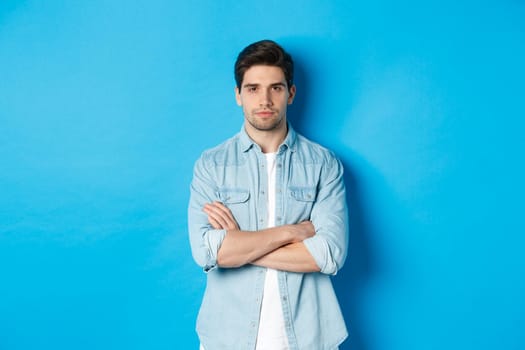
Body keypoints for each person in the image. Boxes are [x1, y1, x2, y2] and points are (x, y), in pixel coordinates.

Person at [188, 39, 349, 350]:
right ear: (238, 95)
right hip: (227, 338)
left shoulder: (323, 165)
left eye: (275, 88)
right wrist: (293, 232)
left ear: (290, 93)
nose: (264, 99)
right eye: (252, 89)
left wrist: (240, 245)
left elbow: (329, 254)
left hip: (308, 338)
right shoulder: (211, 165)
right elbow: (208, 253)